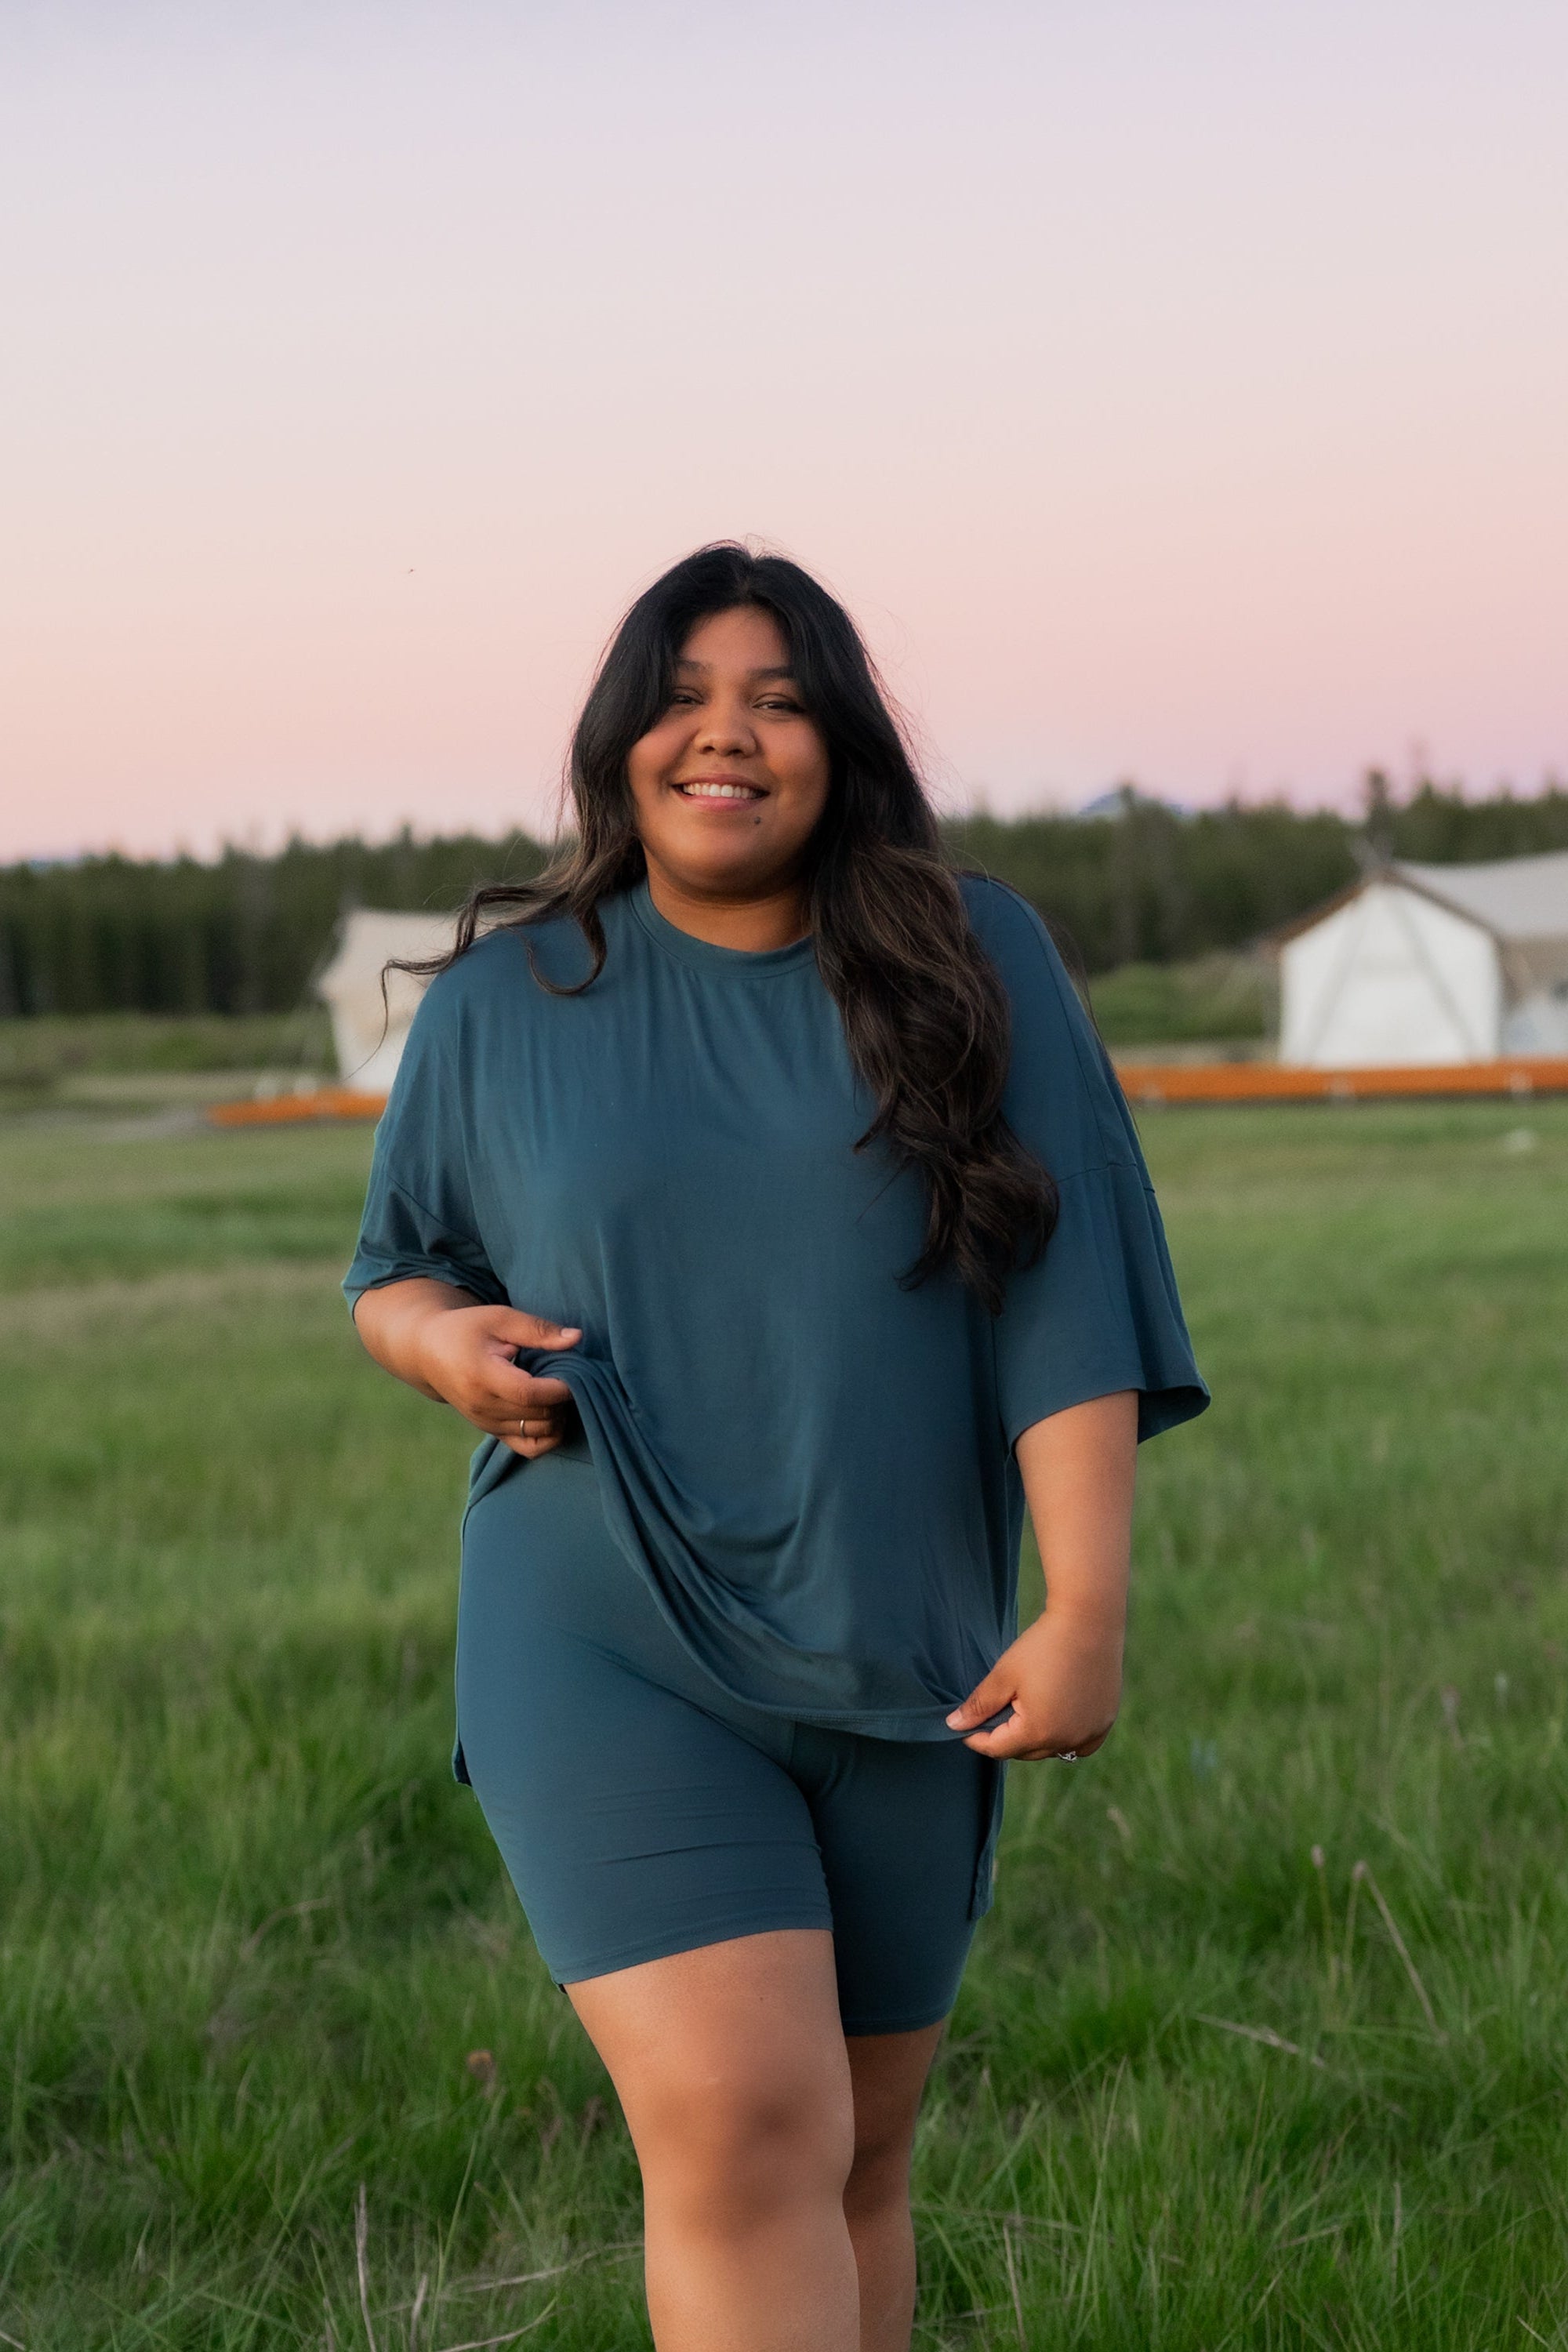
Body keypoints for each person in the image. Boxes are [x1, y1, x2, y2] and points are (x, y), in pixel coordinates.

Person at [345, 543, 1207, 2352]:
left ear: (841, 745)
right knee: (749, 2125)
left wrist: (1088, 1602)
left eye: (775, 697)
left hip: (907, 1640)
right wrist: (441, 1347)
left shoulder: (974, 959)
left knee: (856, 2158)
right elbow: (397, 1271)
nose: (721, 734)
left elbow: (1060, 1300)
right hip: (599, 1628)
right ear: (618, 742)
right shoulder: (507, 1004)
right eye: (677, 695)